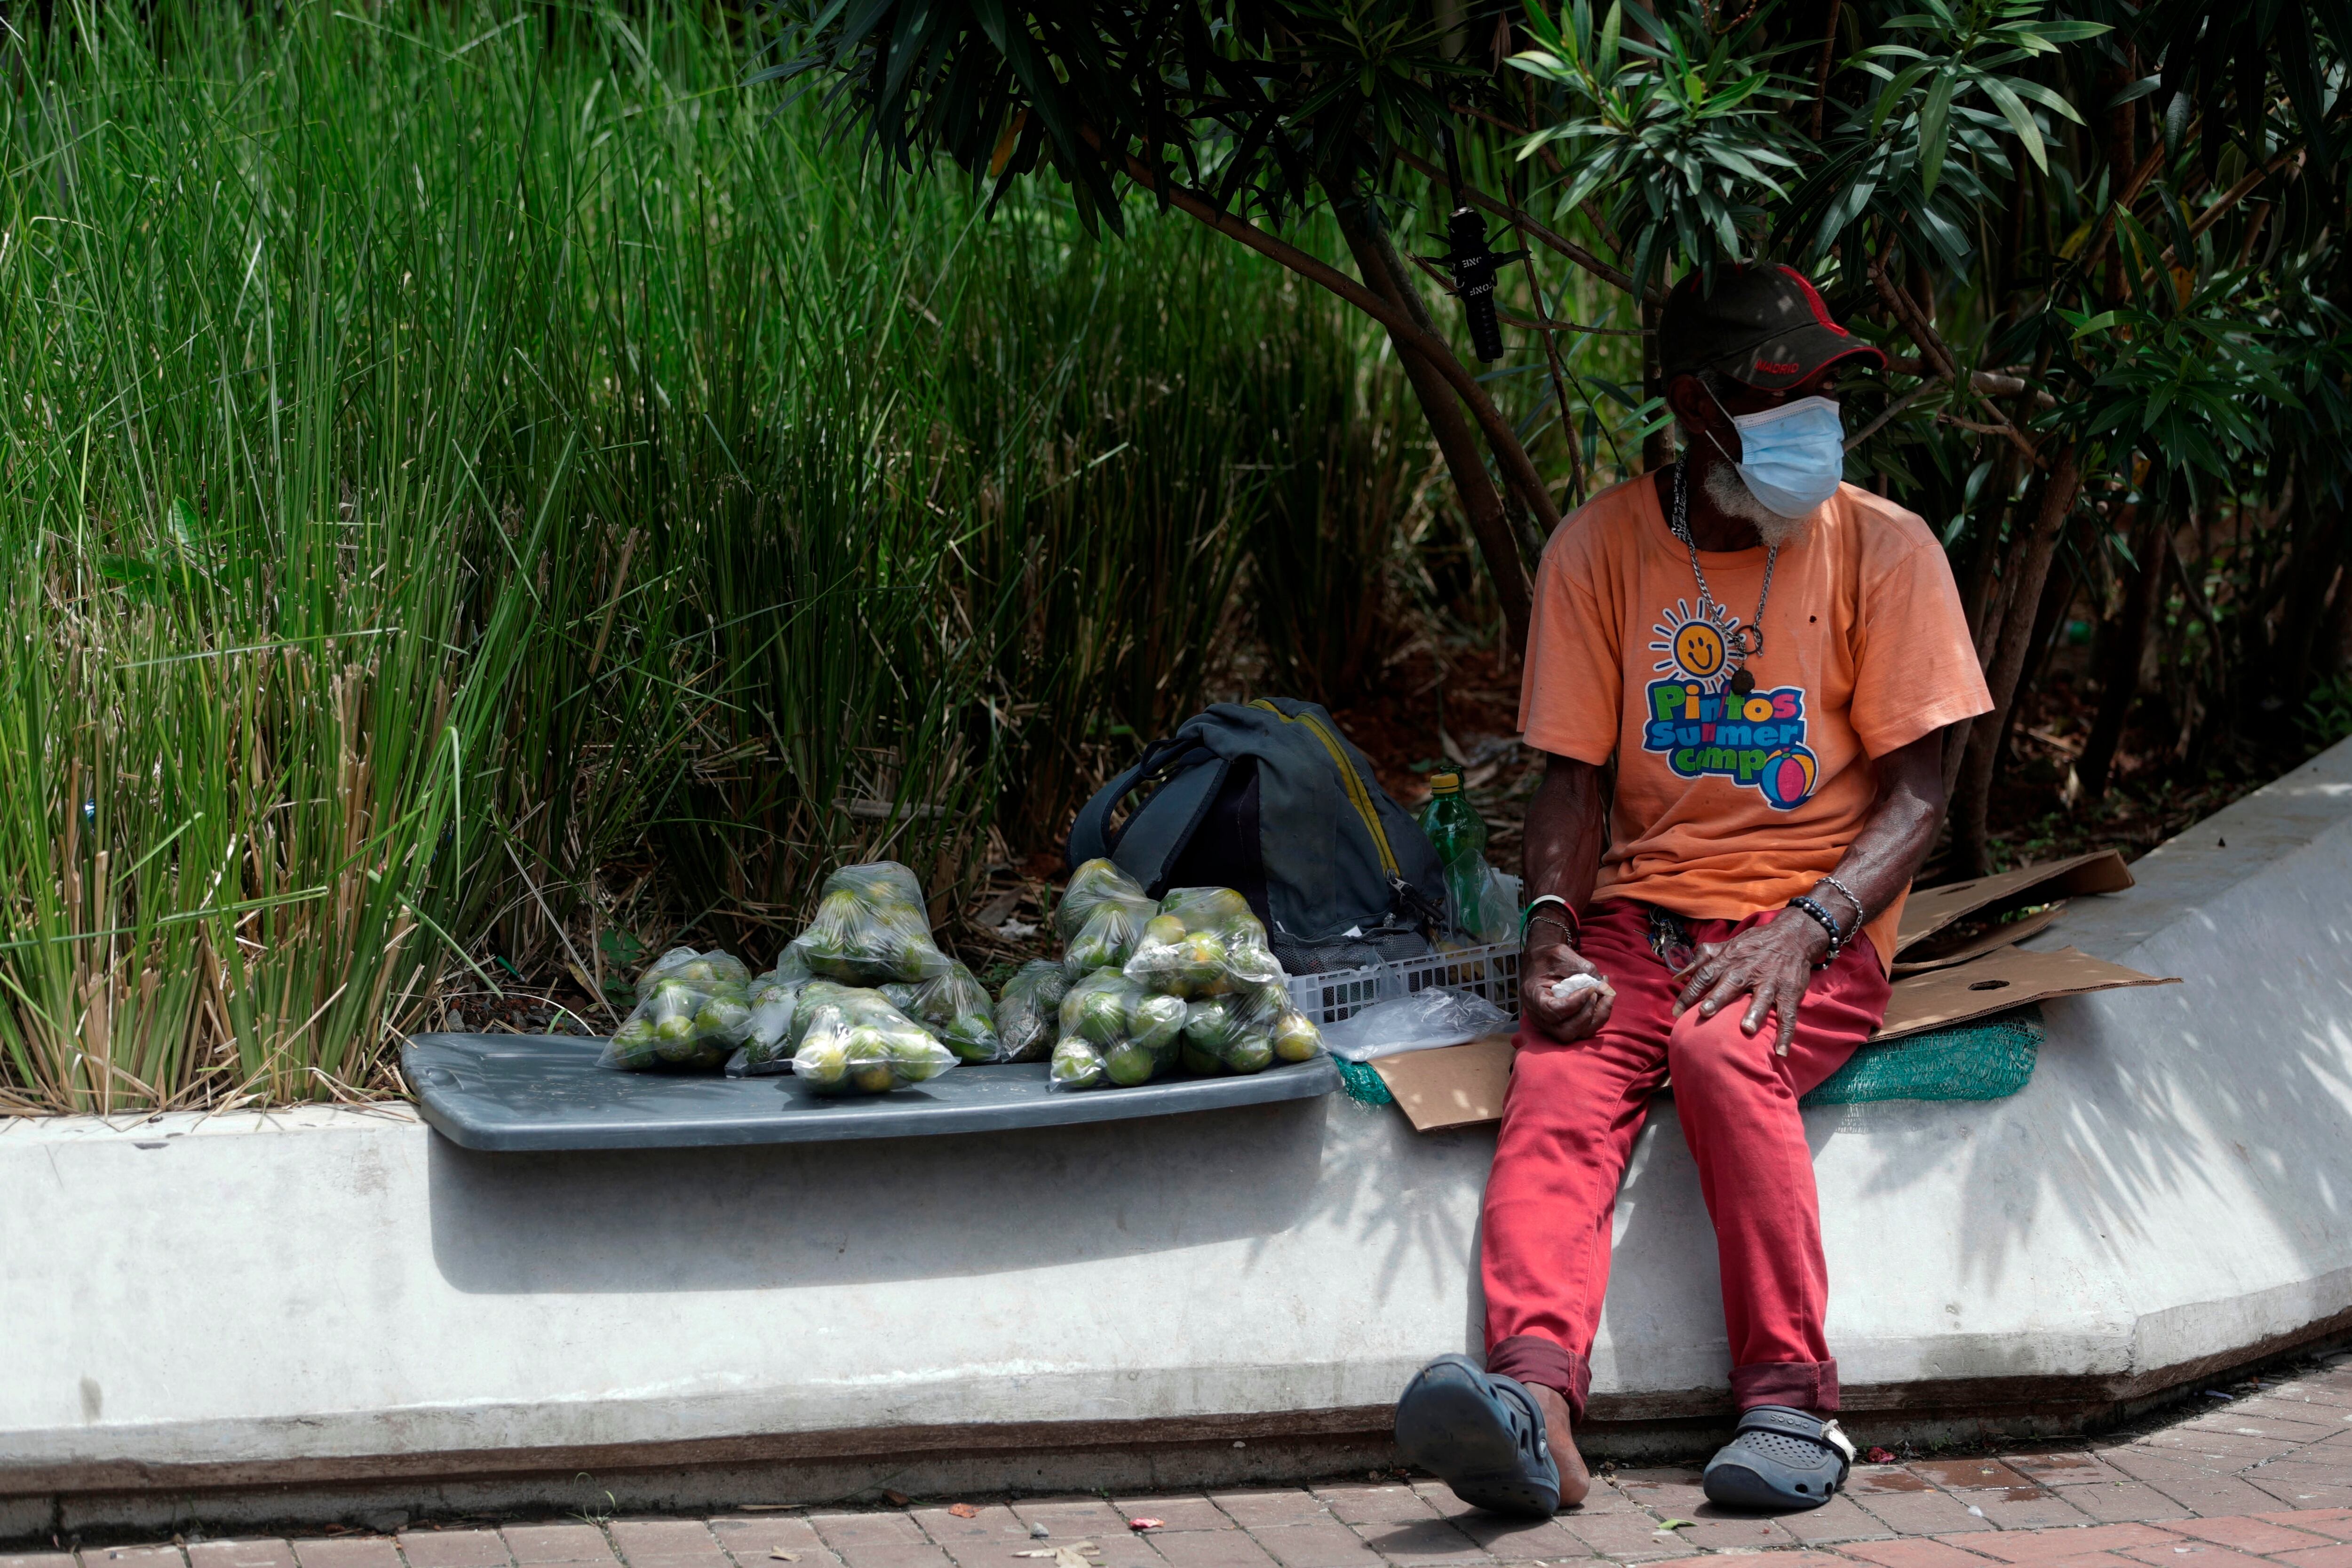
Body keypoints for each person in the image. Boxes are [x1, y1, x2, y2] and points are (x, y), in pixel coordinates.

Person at [1391, 264, 1992, 1516]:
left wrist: (1806, 932)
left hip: (1814, 922)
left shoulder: (1887, 550)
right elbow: (1569, 782)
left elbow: (1921, 797)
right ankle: (1532, 1408)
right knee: (1558, 1077)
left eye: (1828, 397)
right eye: (1782, 399)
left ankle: (1794, 1405)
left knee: (1728, 1051)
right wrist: (1550, 934)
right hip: (1640, 921)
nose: (1813, 427)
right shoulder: (1600, 550)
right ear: (1694, 408)